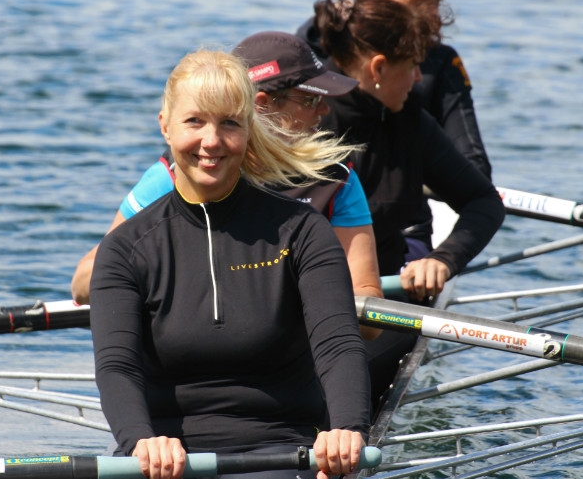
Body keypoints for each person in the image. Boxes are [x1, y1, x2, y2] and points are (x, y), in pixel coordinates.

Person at [90, 49, 371, 479]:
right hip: (161, 451)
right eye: (194, 122)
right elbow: (117, 366)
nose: (212, 141)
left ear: (249, 129)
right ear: (165, 125)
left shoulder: (302, 232)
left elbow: (337, 345)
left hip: (279, 447)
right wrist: (140, 440)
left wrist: (349, 427)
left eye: (229, 124)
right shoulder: (126, 248)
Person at [71, 32, 383, 339]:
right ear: (262, 106)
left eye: (228, 123)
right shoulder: (180, 173)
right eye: (310, 99)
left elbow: (370, 321)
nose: (324, 110)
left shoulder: (335, 181)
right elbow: (84, 283)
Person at [307, 0, 505, 405]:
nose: (418, 79)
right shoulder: (305, 117)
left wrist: (442, 260)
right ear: (378, 68)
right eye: (413, 65)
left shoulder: (410, 120)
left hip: (382, 299)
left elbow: (484, 201)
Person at [298, 0, 493, 254]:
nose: (434, 18)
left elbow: (478, 181)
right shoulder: (305, 76)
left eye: (436, 4)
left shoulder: (418, 105)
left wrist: (444, 259)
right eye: (419, 5)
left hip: (401, 227)